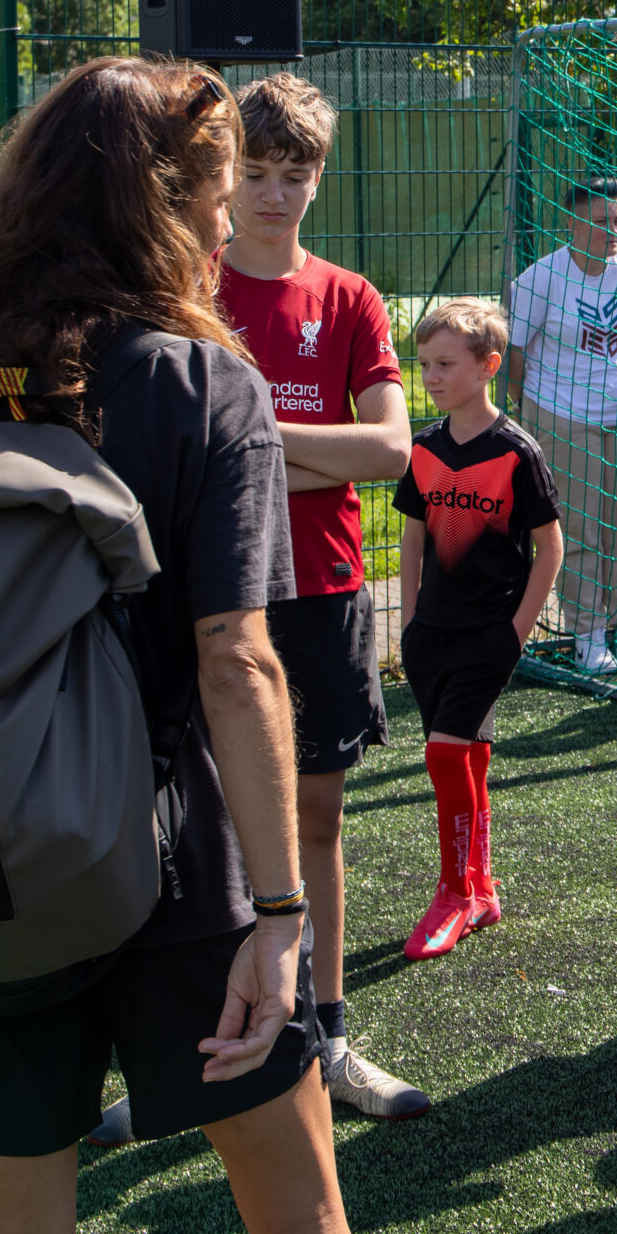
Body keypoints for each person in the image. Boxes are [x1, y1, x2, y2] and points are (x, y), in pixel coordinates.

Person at [0, 59, 395, 1234]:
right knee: (301, 1223)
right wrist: (281, 914)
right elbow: (236, 662)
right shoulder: (202, 377)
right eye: (213, 190)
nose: (222, 219)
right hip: (178, 862)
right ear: (177, 201)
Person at [210, 73, 423, 1123]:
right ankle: (198, 1046)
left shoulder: (348, 296)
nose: (273, 193)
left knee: (319, 817)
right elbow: (170, 450)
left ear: (318, 179)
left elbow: (388, 451)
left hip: (325, 586)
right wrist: (305, 452)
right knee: (203, 825)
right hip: (212, 590)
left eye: (293, 174)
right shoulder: (187, 288)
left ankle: (326, 1037)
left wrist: (248, 440)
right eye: (254, 172)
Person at [395, 301, 564, 962]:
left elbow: (550, 548)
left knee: (443, 755)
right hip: (429, 634)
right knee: (467, 754)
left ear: (488, 366)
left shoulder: (516, 451)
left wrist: (516, 632)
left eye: (445, 364)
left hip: (488, 634)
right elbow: (412, 538)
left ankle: (455, 894)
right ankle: (484, 888)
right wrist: (410, 619)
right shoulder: (425, 446)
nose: (431, 376)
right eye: (424, 364)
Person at [506, 179, 617, 676]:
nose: (612, 231)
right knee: (578, 529)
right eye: (600, 222)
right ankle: (587, 636)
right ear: (572, 225)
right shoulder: (541, 278)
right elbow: (513, 352)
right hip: (561, 415)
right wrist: (529, 410)